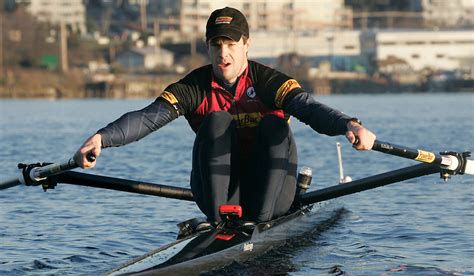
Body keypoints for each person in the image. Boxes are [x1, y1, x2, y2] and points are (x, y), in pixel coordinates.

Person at [74, 7, 376, 225]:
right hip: (219, 193)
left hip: (271, 189)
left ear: (246, 45)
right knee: (217, 121)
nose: (223, 54)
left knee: (274, 123)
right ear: (208, 47)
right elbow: (146, 118)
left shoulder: (268, 81)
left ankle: (260, 221)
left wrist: (348, 124)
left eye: (231, 45)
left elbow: (309, 109)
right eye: (217, 45)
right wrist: (103, 138)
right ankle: (222, 222)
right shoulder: (194, 87)